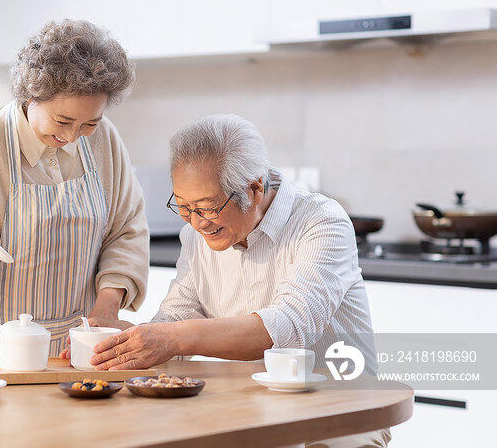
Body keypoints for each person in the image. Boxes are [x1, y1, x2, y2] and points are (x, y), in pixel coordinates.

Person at [89, 114, 389, 447]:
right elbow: (177, 317)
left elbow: (287, 327)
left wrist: (172, 338)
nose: (198, 223)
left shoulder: (321, 222)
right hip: (252, 408)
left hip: (341, 410)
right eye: (184, 206)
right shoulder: (195, 236)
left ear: (255, 188)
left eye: (208, 206)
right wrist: (125, 341)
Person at [0, 19, 149, 356]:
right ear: (31, 95)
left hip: (75, 352)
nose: (72, 136)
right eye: (62, 121)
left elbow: (125, 232)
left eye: (89, 122)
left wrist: (105, 311)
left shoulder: (104, 140)